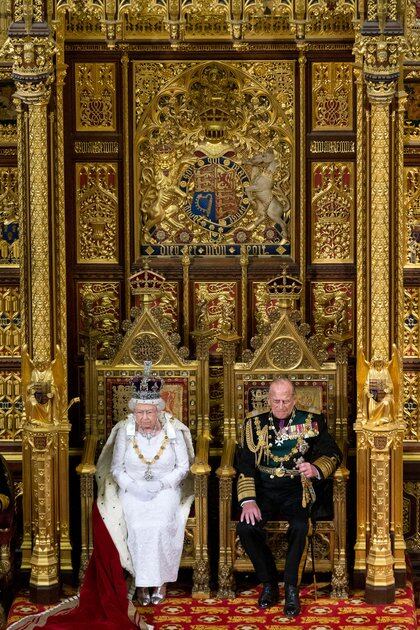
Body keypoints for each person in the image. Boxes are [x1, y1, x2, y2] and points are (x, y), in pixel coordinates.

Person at [236, 377, 342, 617]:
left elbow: (333, 453)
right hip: (263, 490)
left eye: (285, 400)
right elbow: (244, 464)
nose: (281, 405)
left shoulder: (312, 422)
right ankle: (270, 583)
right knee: (246, 528)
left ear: (294, 399)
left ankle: (292, 588)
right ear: (268, 399)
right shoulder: (253, 424)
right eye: (276, 400)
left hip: (296, 489)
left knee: (299, 526)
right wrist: (249, 500)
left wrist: (315, 469)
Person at [96, 364, 194, 607]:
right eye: (139, 413)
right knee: (137, 524)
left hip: (166, 489)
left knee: (160, 524)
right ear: (134, 412)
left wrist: (163, 483)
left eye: (149, 412)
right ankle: (141, 582)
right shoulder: (125, 431)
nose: (144, 418)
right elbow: (116, 468)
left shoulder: (173, 430)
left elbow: (183, 467)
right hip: (133, 489)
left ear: (158, 410)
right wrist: (133, 486)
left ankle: (160, 581)